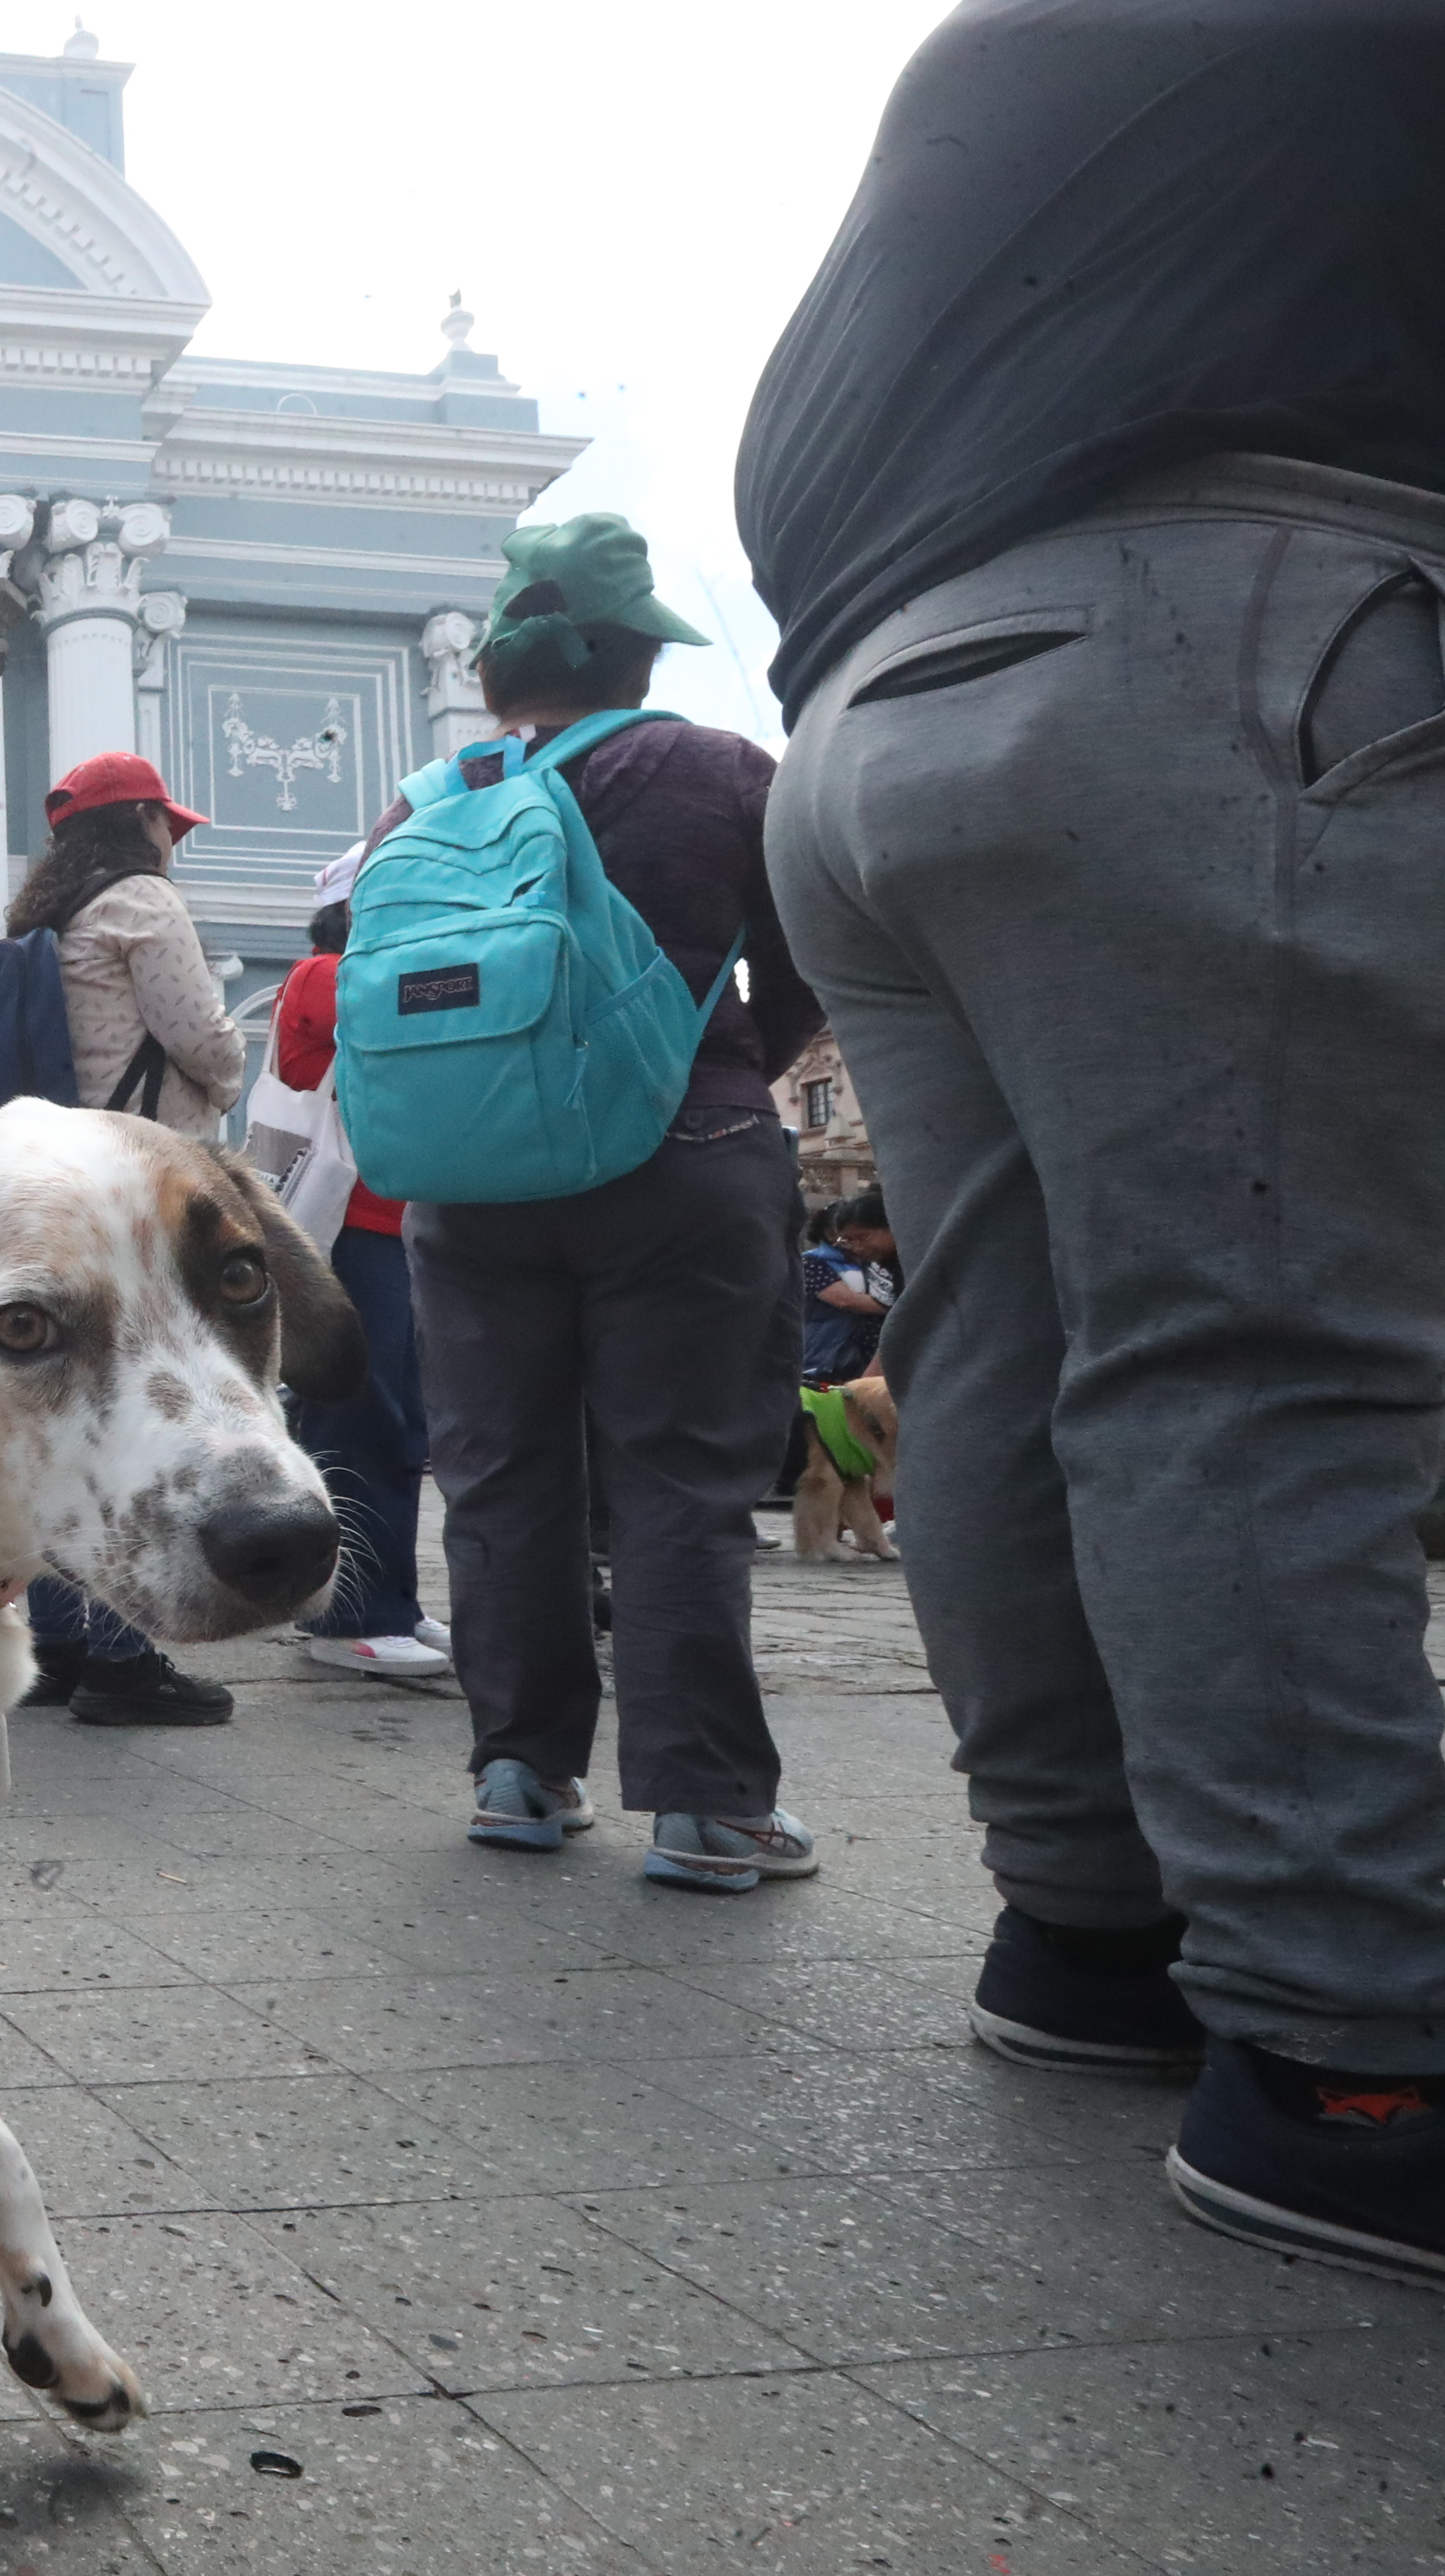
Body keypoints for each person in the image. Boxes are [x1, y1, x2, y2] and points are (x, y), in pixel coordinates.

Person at [745, 0, 1445, 2282]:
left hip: (872, 712)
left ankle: (1094, 1924)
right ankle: (1357, 2049)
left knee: (1014, 1335)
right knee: (1249, 1334)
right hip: (1200, 617)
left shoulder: (1012, 57)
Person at [388, 518, 824, 1891]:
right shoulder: (714, 769)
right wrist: (737, 1047)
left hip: (472, 1178)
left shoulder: (428, 799)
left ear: (498, 669)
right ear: (641, 654)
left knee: (502, 1475)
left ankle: (520, 1771)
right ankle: (705, 1803)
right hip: (685, 1150)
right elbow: (817, 952)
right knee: (678, 1475)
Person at [8, 752, 249, 1724]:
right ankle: (123, 1657)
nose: (173, 843)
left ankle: (59, 1643)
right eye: (168, 824)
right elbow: (204, 1038)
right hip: (136, 1180)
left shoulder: (43, 919)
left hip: (51, 1180)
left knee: (66, 1409)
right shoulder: (145, 905)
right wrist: (228, 1075)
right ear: (142, 821)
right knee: (144, 1408)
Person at [273, 851, 446, 1683]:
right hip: (349, 1230)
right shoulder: (324, 975)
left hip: (392, 1223)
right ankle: (350, 1615)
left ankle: (392, 1602)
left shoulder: (354, 972)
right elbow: (418, 1007)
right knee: (361, 1416)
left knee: (401, 1424)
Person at [799, 1188, 895, 1386]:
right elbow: (845, 1300)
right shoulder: (812, 1262)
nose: (856, 1246)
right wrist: (899, 1305)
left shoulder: (874, 1259)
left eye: (862, 1237)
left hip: (873, 1353)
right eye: (848, 1239)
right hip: (832, 1354)